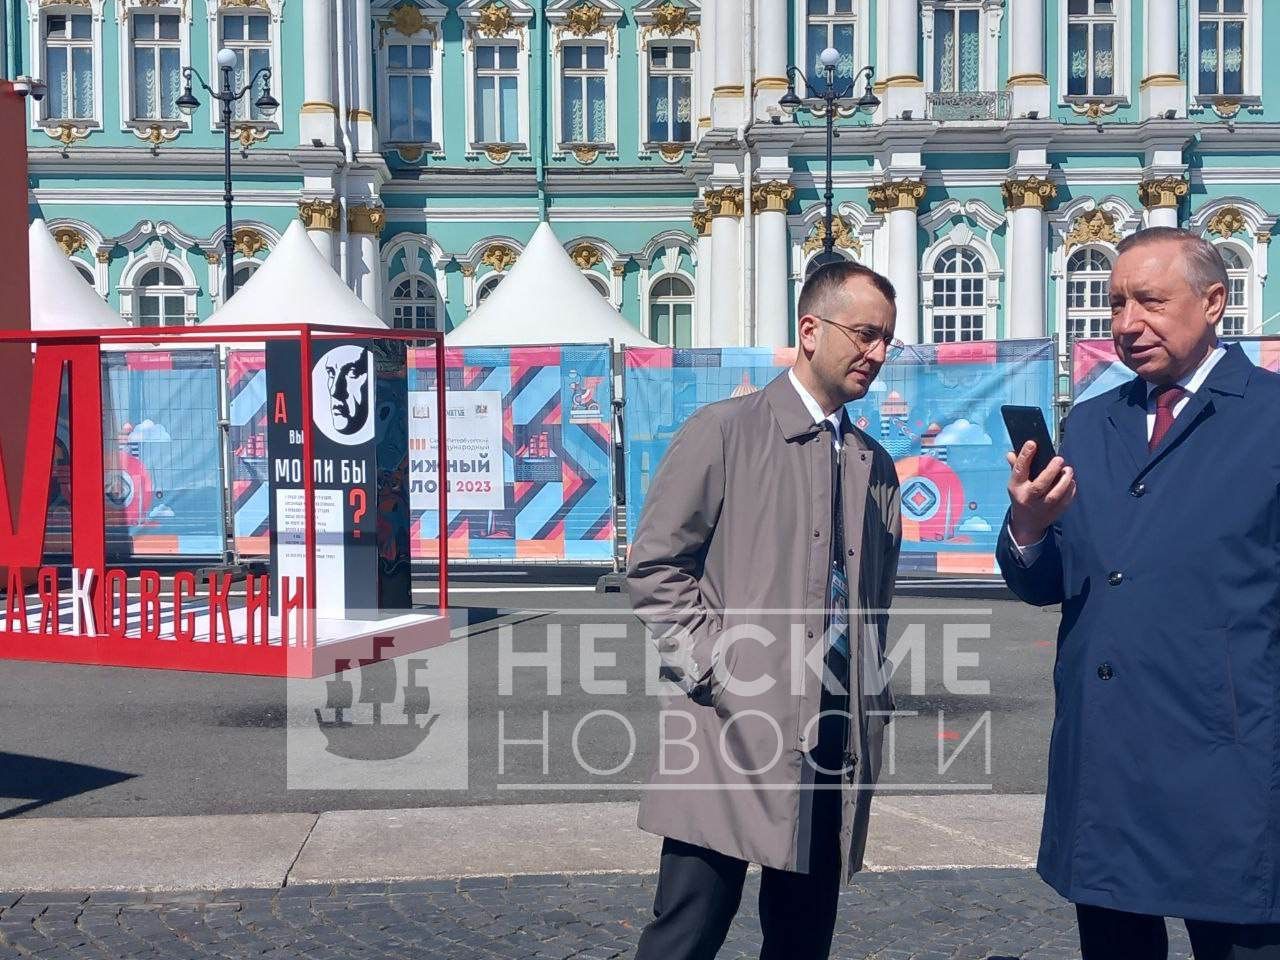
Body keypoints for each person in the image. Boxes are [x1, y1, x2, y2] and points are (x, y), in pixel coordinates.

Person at [997, 227, 1280, 959]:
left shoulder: (1269, 416)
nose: (1125, 324)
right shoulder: (1092, 422)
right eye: (1115, 302)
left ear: (1215, 301)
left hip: (1231, 767)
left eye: (1149, 301)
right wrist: (1028, 527)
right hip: (1110, 765)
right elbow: (1053, 577)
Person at [627, 260, 904, 960]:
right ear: (811, 330)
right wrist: (717, 667)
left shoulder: (875, 464)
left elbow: (873, 604)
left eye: (886, 341)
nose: (876, 353)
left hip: (831, 737)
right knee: (685, 935)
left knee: (802, 939)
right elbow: (655, 567)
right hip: (725, 735)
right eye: (865, 334)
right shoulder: (723, 431)